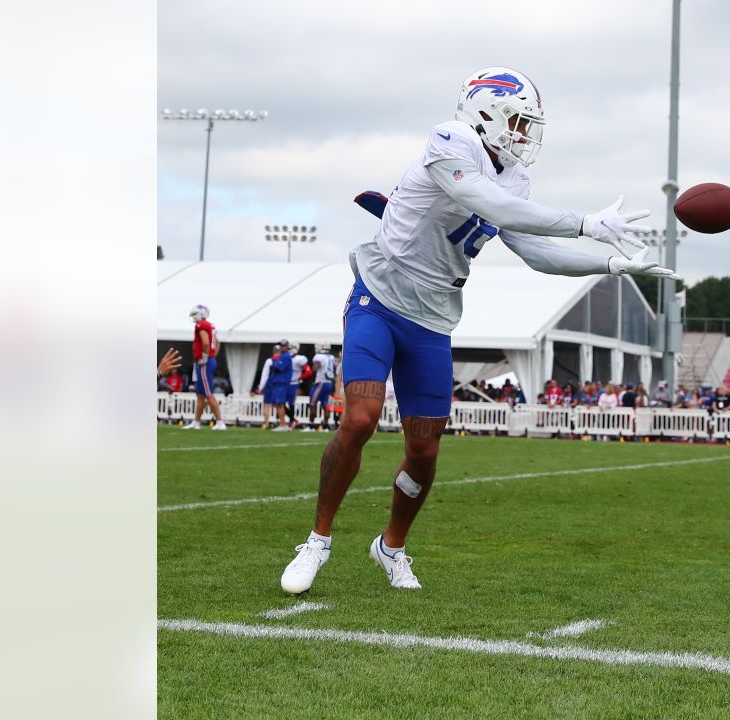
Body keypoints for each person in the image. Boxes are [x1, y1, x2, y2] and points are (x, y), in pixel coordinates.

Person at [280, 66, 679, 595]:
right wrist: (584, 221)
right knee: (361, 417)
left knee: (424, 449)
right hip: (378, 297)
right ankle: (318, 540)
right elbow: (489, 204)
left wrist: (608, 265)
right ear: (485, 110)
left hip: (433, 315)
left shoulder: (514, 177)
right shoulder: (451, 138)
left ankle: (391, 547)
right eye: (516, 121)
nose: (521, 135)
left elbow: (535, 250)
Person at [182, 304, 227, 430]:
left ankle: (220, 422)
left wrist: (205, 358)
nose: (194, 317)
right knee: (200, 394)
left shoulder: (201, 325)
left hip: (204, 362)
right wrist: (212, 356)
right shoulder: (211, 326)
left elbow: (206, 342)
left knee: (208, 393)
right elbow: (217, 343)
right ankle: (196, 422)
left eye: (195, 314)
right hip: (208, 361)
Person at [305, 342, 338, 432]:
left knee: (312, 404)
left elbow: (315, 368)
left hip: (320, 382)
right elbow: (334, 368)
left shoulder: (319, 357)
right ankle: (326, 426)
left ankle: (310, 425)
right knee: (325, 405)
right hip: (329, 383)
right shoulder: (331, 357)